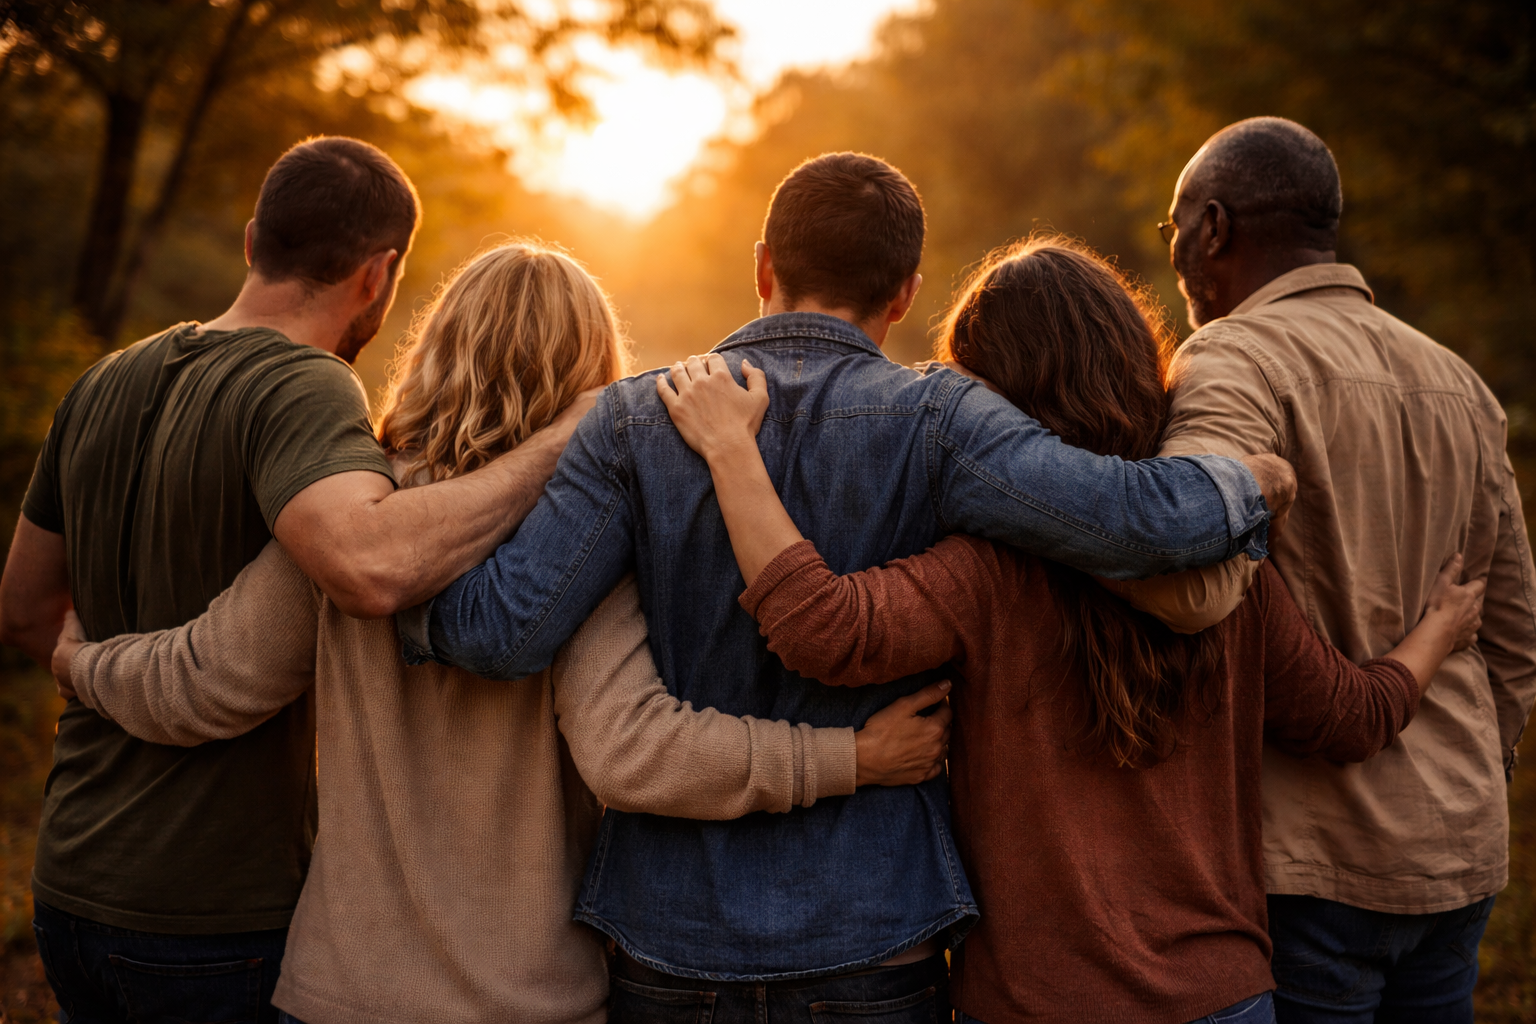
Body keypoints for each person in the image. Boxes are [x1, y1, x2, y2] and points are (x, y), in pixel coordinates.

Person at [396, 152, 1298, 1019]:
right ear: (906, 292)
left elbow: (503, 633)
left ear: (764, 267)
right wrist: (1255, 484)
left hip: (670, 933)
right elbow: (1135, 521)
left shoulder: (638, 419)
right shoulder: (942, 419)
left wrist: (383, 542)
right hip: (874, 932)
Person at [47, 240, 952, 1024]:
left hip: (336, 993)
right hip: (530, 1000)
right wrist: (853, 758)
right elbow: (632, 750)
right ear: (593, 370)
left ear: (439, 346)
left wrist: (85, 663)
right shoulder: (582, 542)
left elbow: (206, 680)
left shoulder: (353, 525)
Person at [652, 236, 1486, 1024]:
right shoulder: (1228, 577)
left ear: (990, 401)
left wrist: (733, 453)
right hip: (1220, 995)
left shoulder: (985, 573)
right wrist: (1437, 632)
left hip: (1032, 1002)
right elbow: (1349, 717)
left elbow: (823, 628)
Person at [0, 138, 596, 1024]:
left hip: (73, 872)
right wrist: (568, 440)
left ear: (251, 241)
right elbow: (367, 563)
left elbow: (22, 610)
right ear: (380, 273)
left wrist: (89, 661)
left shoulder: (103, 380)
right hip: (212, 897)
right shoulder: (308, 388)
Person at [1112, 117, 1536, 1023]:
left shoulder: (1231, 358)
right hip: (1459, 849)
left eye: (1173, 228)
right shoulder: (1458, 379)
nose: (1177, 250)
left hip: (1312, 861)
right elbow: (1512, 630)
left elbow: (1188, 578)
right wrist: (1474, 782)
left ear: (1214, 229)